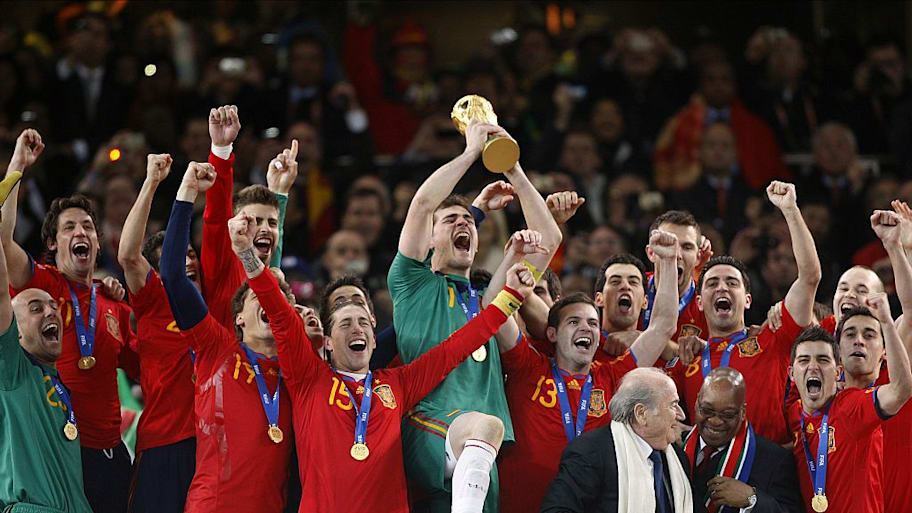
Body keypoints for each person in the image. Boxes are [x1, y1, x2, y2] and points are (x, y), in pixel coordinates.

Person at [233, 201, 533, 510]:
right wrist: (246, 254)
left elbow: (457, 346)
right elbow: (278, 312)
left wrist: (509, 297)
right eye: (345, 324)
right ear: (329, 342)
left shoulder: (398, 383)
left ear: (375, 339)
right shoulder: (309, 378)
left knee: (489, 422)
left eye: (363, 322)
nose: (357, 330)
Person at [390, 121, 562, 512]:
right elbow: (422, 205)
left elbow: (549, 239)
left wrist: (512, 167)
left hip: (479, 454)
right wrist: (470, 153)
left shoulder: (489, 305)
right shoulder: (411, 283)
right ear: (430, 239)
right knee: (486, 426)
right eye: (450, 221)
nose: (463, 223)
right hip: (429, 425)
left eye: (468, 220)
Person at [0, 129, 138, 513]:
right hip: (64, 452)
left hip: (114, 454)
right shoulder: (42, 285)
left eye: (88, 227)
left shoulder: (114, 304)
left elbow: (147, 367)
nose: (81, 232)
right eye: (69, 228)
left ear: (97, 242)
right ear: (52, 244)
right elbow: (2, 237)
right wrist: (17, 166)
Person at [496, 229, 681, 513]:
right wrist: (514, 259)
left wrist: (667, 262)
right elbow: (493, 313)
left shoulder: (614, 378)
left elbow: (662, 327)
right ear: (553, 334)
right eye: (574, 322)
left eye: (593, 323)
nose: (586, 328)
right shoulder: (526, 366)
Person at [160, 162, 293, 513]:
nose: (269, 302)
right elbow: (173, 276)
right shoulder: (216, 347)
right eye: (258, 298)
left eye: (277, 300)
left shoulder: (298, 367)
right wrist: (186, 194)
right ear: (239, 317)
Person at [676, 181, 820, 443]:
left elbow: (810, 276)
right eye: (712, 283)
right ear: (699, 302)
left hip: (765, 473)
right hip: (701, 470)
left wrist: (790, 210)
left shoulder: (772, 339)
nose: (722, 288)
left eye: (732, 283)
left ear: (748, 300)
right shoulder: (687, 358)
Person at [0, 172, 93, 512]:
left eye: (53, 307)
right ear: (15, 330)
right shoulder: (11, 370)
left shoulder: (55, 382)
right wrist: (16, 169)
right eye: (35, 308)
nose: (51, 312)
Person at [117, 153, 196, 513]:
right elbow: (129, 255)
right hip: (163, 444)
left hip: (212, 445)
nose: (189, 262)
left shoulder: (215, 312)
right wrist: (151, 182)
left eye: (191, 255)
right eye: (177, 260)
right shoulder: (153, 301)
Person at [787, 295, 912, 513]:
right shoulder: (794, 412)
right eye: (804, 360)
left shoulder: (851, 406)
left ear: (837, 371)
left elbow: (901, 389)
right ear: (791, 374)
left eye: (823, 360)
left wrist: (886, 321)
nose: (813, 367)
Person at [540, 367, 692, 513]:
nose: (681, 415)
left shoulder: (678, 458)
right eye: (673, 405)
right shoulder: (590, 453)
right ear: (641, 414)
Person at [200, 105, 293, 329]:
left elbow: (275, 239)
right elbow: (216, 215)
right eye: (254, 221)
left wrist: (279, 192)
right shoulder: (222, 267)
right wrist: (221, 150)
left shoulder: (273, 275)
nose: (265, 228)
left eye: (271, 223)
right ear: (235, 226)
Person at [683, 367, 803, 513]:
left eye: (727, 415)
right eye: (707, 410)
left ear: (742, 412)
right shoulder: (673, 448)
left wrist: (752, 500)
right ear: (696, 404)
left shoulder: (775, 461)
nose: (715, 421)